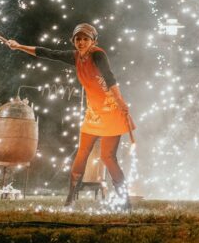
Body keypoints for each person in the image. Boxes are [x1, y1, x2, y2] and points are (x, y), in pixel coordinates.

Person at [7, 23, 134, 208]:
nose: (81, 42)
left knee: (108, 157)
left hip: (111, 110)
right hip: (94, 113)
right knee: (82, 153)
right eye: (78, 39)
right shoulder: (75, 56)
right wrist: (19, 46)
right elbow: (46, 52)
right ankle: (71, 198)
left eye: (85, 39)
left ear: (93, 41)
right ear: (73, 40)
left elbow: (109, 77)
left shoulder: (98, 54)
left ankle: (124, 200)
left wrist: (121, 102)